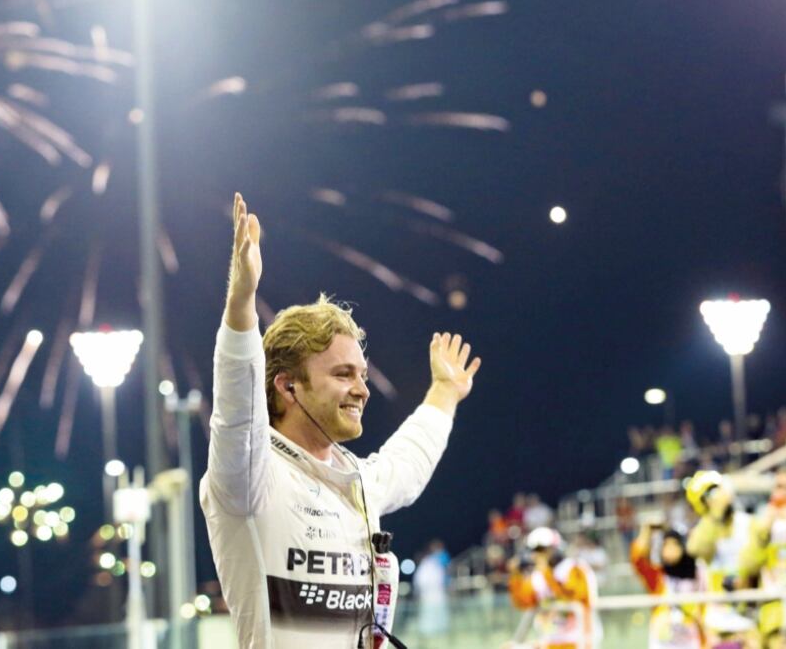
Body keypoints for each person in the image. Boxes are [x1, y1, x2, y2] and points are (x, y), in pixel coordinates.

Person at [199, 193, 482, 648]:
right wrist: (241, 306)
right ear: (288, 387)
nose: (363, 389)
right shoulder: (250, 479)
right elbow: (235, 415)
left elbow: (407, 464)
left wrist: (444, 392)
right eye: (343, 374)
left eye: (363, 375)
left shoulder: (355, 480)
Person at [738, 467, 786, 649]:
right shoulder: (760, 523)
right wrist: (764, 532)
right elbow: (747, 565)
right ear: (772, 492)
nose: (785, 491)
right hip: (775, 614)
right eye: (779, 486)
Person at [508, 527, 600, 649]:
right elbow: (523, 602)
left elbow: (575, 598)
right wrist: (516, 576)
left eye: (542, 549)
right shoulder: (538, 575)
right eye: (535, 550)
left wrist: (547, 573)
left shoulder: (575, 568)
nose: (538, 554)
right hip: (550, 641)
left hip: (579, 639)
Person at [413, 539, 451, 644]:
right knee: (428, 619)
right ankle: (427, 641)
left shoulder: (435, 563)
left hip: (437, 594)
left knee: (440, 617)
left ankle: (440, 641)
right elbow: (420, 582)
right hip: (428, 596)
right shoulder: (427, 565)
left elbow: (441, 579)